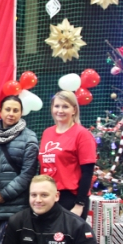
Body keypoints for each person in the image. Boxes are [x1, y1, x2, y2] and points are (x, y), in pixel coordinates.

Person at [0, 95, 39, 242]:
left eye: (15, 110)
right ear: (0, 111)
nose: (11, 114)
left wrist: (4, 195)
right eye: (7, 109)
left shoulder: (30, 138)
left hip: (17, 207)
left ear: (21, 113)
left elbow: (28, 174)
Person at [39, 91, 97, 219]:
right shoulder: (47, 133)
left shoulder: (83, 135)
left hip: (71, 198)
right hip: (48, 196)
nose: (60, 110)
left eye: (65, 106)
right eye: (57, 106)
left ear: (74, 110)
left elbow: (87, 173)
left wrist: (79, 204)